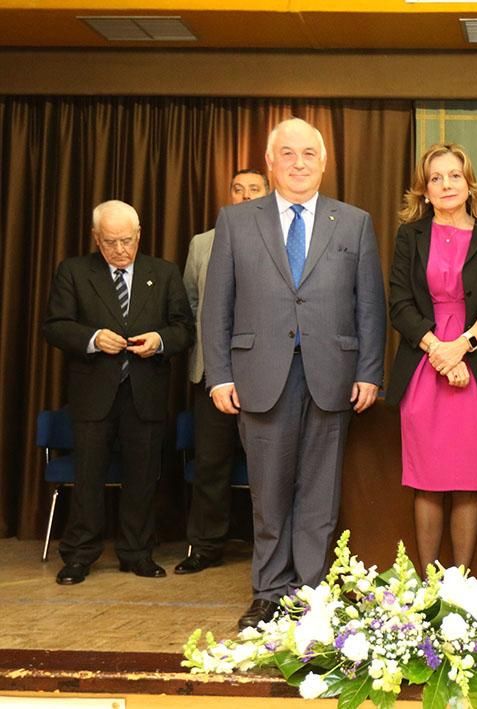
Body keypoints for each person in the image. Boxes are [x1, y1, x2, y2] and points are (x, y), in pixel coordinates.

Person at [202, 118, 387, 628]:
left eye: (309, 154)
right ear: (270, 162)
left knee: (320, 496)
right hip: (259, 375)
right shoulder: (237, 222)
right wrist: (218, 374)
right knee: (269, 492)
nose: (299, 163)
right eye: (288, 153)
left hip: (333, 375)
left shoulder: (353, 222)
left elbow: (370, 304)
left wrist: (370, 370)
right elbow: (217, 304)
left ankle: (310, 596)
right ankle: (267, 591)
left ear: (324, 162)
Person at [43, 199, 194, 585]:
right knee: (88, 477)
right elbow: (56, 325)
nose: (121, 250)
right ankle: (79, 556)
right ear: (96, 239)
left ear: (139, 235)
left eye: (127, 240)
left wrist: (159, 340)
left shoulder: (163, 273)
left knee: (142, 478)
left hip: (145, 391)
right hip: (94, 392)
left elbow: (184, 328)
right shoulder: (74, 272)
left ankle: (137, 553)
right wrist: (92, 338)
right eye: (111, 242)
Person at [387, 143, 477, 571]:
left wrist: (461, 346)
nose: (446, 184)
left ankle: (461, 586)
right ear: (424, 190)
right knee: (427, 482)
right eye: (436, 178)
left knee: (468, 482)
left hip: (476, 362)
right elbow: (399, 304)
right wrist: (439, 350)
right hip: (423, 362)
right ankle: (427, 588)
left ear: (468, 182)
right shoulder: (410, 236)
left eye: (454, 175)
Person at [176, 168, 269, 575]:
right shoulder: (202, 244)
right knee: (210, 465)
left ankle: (269, 550)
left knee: (268, 467)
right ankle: (205, 546)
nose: (245, 196)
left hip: (266, 375)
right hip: (212, 374)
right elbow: (191, 306)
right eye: (238, 189)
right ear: (227, 195)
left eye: (254, 189)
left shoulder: (280, 238)